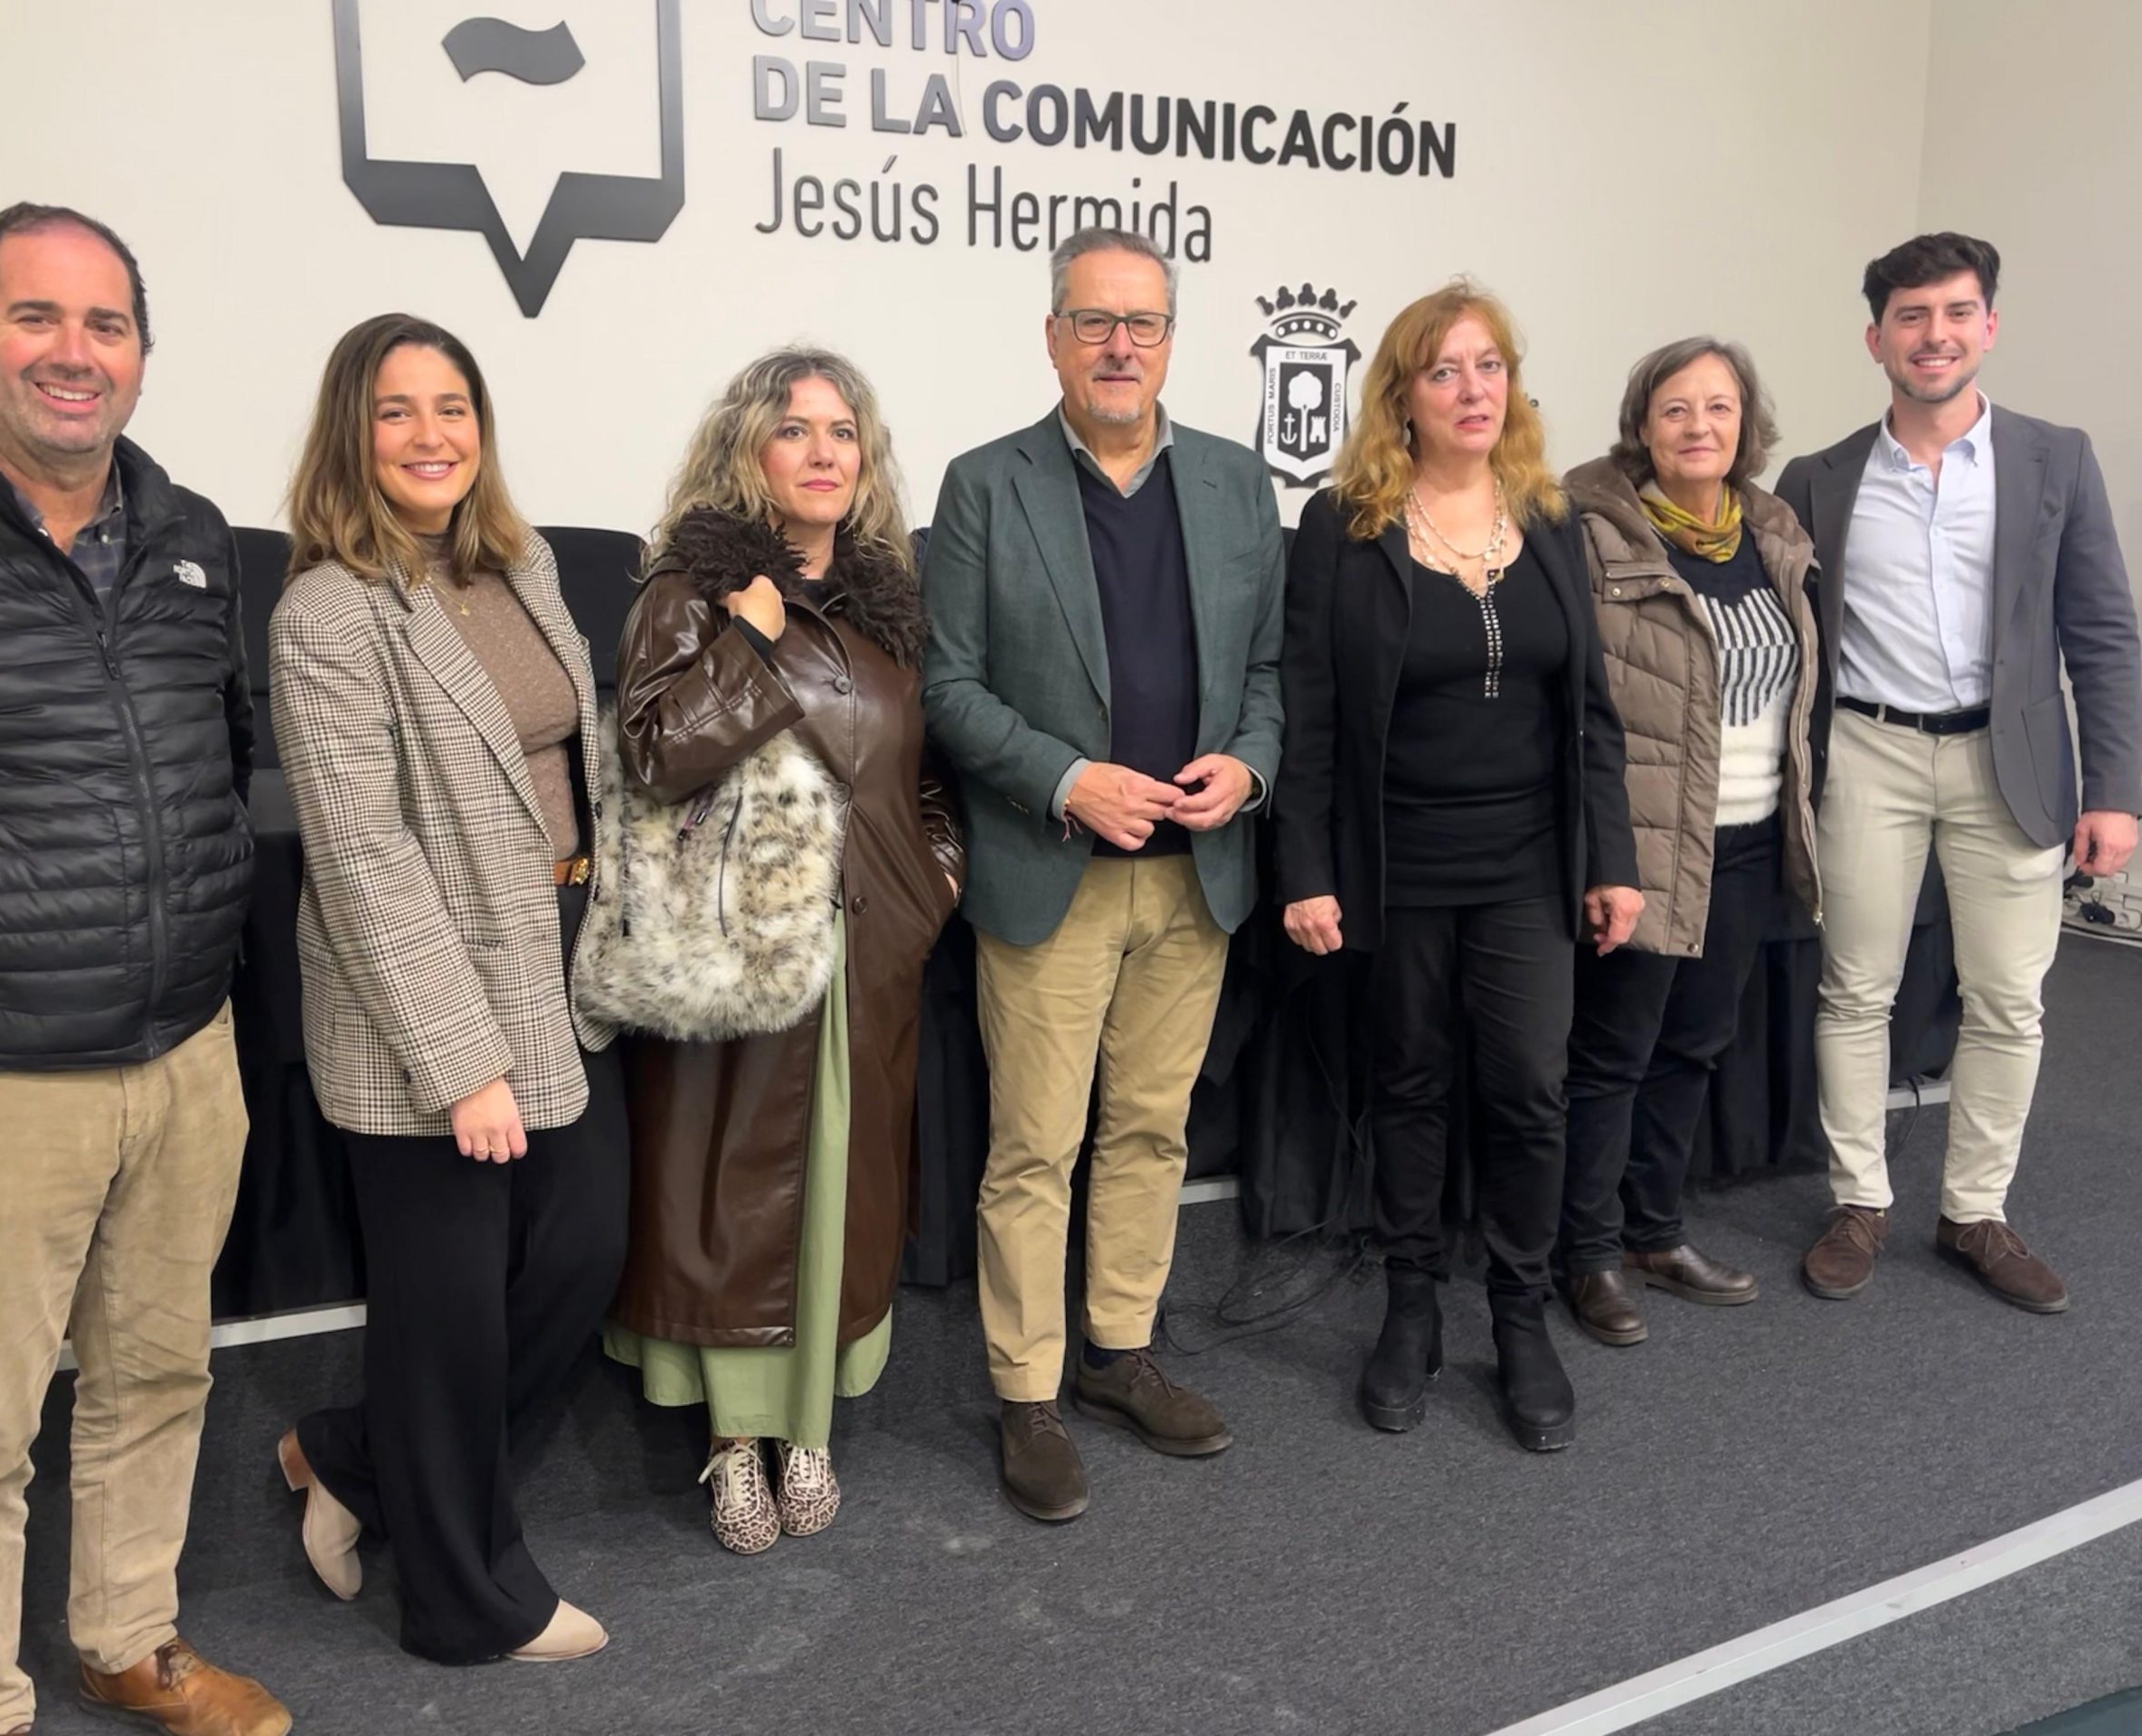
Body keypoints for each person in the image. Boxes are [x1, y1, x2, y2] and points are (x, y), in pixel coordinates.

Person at [0, 203, 287, 1736]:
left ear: (141, 355)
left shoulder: (191, 536)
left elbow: (222, 757)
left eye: (106, 324)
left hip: (182, 1055)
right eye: (37, 317)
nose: (73, 353)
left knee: (156, 1378)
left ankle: (127, 1640)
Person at [267, 314, 627, 1662]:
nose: (432, 436)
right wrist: (462, 1063)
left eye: (453, 407)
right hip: (421, 989)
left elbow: (575, 761)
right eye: (397, 411)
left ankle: (353, 1458)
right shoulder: (326, 614)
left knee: (580, 1255)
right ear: (351, 436)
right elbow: (362, 856)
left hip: (559, 957)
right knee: (449, 1313)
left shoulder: (521, 567)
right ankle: (468, 1601)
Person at [922, 227, 1284, 1523]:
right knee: (1035, 1147)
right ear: (1053, 338)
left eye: (1142, 323)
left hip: (1197, 875)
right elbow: (947, 687)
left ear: (1171, 341)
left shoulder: (1238, 483)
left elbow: (1267, 673)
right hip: (1051, 868)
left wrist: (1250, 765)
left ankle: (1119, 1351)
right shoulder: (986, 485)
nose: (1119, 345)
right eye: (1094, 321)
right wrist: (1068, 777)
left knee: (1151, 1130)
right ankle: (1027, 1394)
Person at [603, 348, 962, 1555]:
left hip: (869, 954)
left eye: (842, 432)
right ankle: (733, 1438)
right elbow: (655, 756)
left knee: (840, 1198)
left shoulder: (889, 608)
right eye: (795, 429)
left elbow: (929, 784)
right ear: (748, 449)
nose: (823, 453)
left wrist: (930, 889)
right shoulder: (689, 592)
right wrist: (748, 644)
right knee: (737, 1203)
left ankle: (807, 1429)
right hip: (738, 962)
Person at [1278, 281, 1640, 1453]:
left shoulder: (1550, 517)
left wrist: (1613, 857)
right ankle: (1411, 1307)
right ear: (1402, 397)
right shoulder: (1344, 527)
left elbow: (1589, 708)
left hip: (1529, 861)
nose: (1473, 389)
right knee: (1411, 1086)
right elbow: (1310, 712)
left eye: (1490, 367)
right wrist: (1304, 867)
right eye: (1444, 371)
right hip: (1397, 864)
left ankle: (1520, 1317)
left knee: (1530, 1087)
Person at [1775, 233, 2141, 1311]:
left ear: (1987, 326)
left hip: (2008, 757)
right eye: (1910, 316)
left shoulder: (2055, 460)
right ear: (1875, 339)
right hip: (1868, 753)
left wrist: (2115, 791)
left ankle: (1974, 1211)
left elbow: (2103, 634)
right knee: (1855, 989)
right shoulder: (1818, 478)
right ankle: (1858, 1201)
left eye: (1953, 312)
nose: (1932, 335)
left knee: (2007, 1001)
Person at [1554, 339, 1824, 1345]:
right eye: (1675, 408)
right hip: (1647, 842)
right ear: (1643, 424)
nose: (1698, 426)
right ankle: (1583, 1253)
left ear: (1745, 424)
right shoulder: (1592, 533)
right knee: (1612, 1055)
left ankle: (1652, 1233)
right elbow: (1572, 701)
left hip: (1750, 839)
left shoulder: (1773, 529)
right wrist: (1599, 852)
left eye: (1718, 407)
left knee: (1694, 1046)